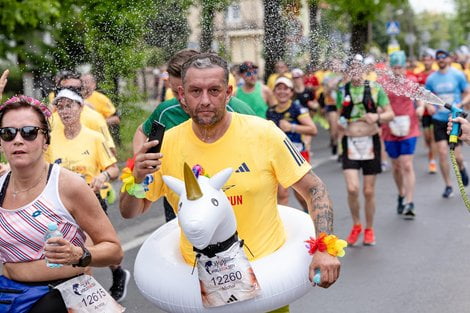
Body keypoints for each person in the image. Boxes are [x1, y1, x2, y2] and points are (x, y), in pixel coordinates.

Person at [120, 53, 341, 312]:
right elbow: (130, 211)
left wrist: (325, 246)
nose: (205, 100)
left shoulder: (264, 133)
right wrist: (136, 179)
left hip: (266, 278)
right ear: (181, 95)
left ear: (229, 92)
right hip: (196, 288)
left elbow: (314, 189)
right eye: (195, 91)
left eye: (214, 90)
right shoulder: (165, 145)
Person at [0, 95, 122, 312]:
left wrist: (79, 255)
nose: (18, 140)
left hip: (64, 297)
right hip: (11, 295)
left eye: (28, 132)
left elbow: (114, 250)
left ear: (45, 139)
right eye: (8, 133)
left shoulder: (68, 185)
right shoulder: (1, 186)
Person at [132, 49, 256, 222]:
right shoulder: (166, 111)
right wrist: (140, 162)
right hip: (179, 193)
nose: (182, 100)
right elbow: (141, 131)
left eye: (194, 90)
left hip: (229, 194)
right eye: (176, 93)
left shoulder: (238, 110)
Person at [45, 89, 130, 302]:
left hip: (90, 201)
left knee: (90, 249)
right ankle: (76, 295)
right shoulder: (51, 139)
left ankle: (97, 290)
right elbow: (44, 169)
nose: (64, 111)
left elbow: (113, 170)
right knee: (69, 251)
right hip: (61, 204)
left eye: (69, 105)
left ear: (80, 107)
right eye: (60, 106)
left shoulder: (93, 137)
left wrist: (102, 177)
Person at [336, 55, 394, 246]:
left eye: (358, 67)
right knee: (352, 188)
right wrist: (340, 123)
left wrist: (376, 116)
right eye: (351, 67)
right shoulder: (342, 90)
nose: (355, 71)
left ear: (363, 69)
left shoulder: (376, 88)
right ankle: (356, 225)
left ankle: (369, 228)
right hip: (350, 142)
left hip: (370, 142)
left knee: (368, 191)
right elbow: (338, 117)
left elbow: (390, 114)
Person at [381, 51, 425, 219]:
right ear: (390, 68)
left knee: (406, 164)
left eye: (400, 67)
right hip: (390, 128)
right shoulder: (384, 83)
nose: (397, 70)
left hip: (409, 127)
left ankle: (410, 201)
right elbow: (380, 102)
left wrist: (420, 107)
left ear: (404, 67)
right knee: (396, 166)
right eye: (394, 67)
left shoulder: (411, 81)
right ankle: (401, 193)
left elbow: (420, 96)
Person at [266, 76, 317, 212]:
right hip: (279, 156)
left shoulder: (297, 108)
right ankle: (284, 228)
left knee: (301, 194)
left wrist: (292, 127)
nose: (282, 92)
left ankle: (310, 218)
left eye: (285, 89)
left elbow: (312, 129)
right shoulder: (270, 111)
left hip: (298, 155)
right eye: (279, 88)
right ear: (274, 92)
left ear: (291, 92)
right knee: (281, 193)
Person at [425, 49, 470, 198]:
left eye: (443, 57)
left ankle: (462, 168)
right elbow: (425, 96)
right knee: (443, 153)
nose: (441, 60)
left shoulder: (457, 75)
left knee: (457, 157)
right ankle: (448, 185)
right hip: (439, 120)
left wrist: (460, 104)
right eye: (438, 58)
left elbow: (467, 92)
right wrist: (429, 106)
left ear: (449, 59)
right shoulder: (431, 79)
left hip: (455, 120)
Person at [416, 53, 437, 174]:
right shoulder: (419, 75)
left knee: (433, 137)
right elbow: (419, 94)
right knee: (427, 137)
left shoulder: (436, 74)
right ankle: (432, 151)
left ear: (432, 61)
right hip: (424, 111)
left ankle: (432, 161)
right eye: (424, 60)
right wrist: (421, 106)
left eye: (428, 60)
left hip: (436, 111)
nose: (426, 62)